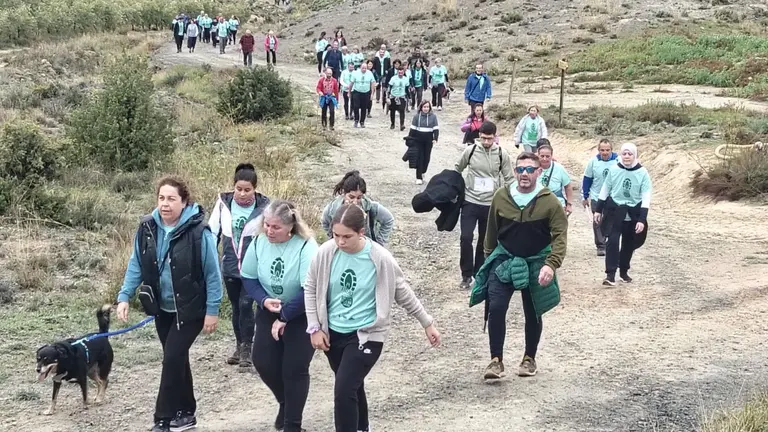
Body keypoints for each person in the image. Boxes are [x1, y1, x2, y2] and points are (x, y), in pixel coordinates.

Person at [304, 204, 441, 432]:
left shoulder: (380, 258)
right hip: (333, 333)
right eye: (336, 235)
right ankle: (363, 427)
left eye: (346, 236)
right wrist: (314, 327)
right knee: (352, 386)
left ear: (361, 232)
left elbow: (402, 291)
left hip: (366, 336)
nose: (340, 241)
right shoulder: (326, 253)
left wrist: (427, 323)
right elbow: (310, 288)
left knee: (344, 389)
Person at [117, 176, 223, 432]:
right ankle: (186, 413)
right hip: (161, 309)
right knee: (177, 359)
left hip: (192, 309)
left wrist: (212, 311)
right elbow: (136, 263)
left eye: (172, 199)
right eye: (162, 198)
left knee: (171, 359)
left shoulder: (199, 232)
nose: (165, 204)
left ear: (184, 202)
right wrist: (124, 296)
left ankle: (162, 419)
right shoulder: (147, 228)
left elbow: (212, 274)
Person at [469, 151, 567, 380]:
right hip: (505, 258)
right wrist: (488, 262)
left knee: (533, 310)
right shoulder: (501, 197)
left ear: (538, 172)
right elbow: (490, 233)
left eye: (529, 170)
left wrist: (551, 265)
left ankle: (529, 358)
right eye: (520, 169)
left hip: (536, 261)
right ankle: (495, 361)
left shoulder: (550, 202)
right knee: (496, 307)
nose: (524, 174)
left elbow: (560, 236)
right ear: (515, 171)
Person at [240, 200, 319, 432]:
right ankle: (286, 404)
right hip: (269, 309)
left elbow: (310, 289)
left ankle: (292, 425)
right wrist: (263, 300)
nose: (269, 230)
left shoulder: (306, 246)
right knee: (263, 361)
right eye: (267, 224)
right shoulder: (259, 242)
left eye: (276, 227)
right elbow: (249, 278)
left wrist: (285, 315)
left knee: (294, 368)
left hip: (302, 313)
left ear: (290, 228)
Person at [207, 163, 270, 370]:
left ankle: (247, 349)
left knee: (246, 304)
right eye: (239, 189)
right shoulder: (222, 205)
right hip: (230, 265)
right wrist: (209, 261)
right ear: (233, 186)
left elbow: (270, 236)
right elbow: (212, 234)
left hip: (253, 267)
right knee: (236, 307)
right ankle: (238, 345)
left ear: (255, 188)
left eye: (247, 190)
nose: (242, 194)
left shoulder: (264, 208)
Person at [455, 121, 514, 290]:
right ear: (479, 136)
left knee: (484, 240)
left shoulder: (502, 154)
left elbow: (509, 178)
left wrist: (512, 200)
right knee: (466, 237)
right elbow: (457, 169)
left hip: (491, 204)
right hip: (470, 201)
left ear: (495, 137)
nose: (487, 142)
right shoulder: (471, 151)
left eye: (490, 139)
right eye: (483, 139)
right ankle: (465, 275)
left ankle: (479, 273)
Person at [593, 143, 652, 286]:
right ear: (620, 155)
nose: (626, 157)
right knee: (612, 241)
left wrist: (642, 219)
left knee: (629, 243)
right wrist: (598, 210)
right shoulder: (614, 169)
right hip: (615, 210)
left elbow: (646, 197)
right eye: (624, 154)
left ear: (634, 155)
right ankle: (610, 275)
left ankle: (624, 271)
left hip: (633, 212)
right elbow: (605, 189)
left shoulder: (642, 173)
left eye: (629, 154)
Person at [321, 170, 395, 246]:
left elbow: (388, 220)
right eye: (351, 197)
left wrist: (380, 243)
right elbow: (325, 222)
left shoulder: (371, 207)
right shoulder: (332, 209)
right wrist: (333, 239)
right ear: (344, 193)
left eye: (359, 198)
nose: (355, 202)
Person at [581, 138, 617, 256]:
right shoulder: (593, 162)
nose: (605, 152)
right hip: (597, 196)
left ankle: (608, 241)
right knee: (597, 220)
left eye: (607, 150)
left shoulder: (618, 161)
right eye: (602, 150)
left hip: (613, 197)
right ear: (598, 150)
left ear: (611, 149)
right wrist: (585, 196)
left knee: (610, 220)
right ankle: (600, 245)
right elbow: (587, 179)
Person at [537, 143, 574, 216]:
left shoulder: (559, 168)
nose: (545, 159)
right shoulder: (532, 168)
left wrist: (569, 204)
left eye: (547, 156)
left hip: (557, 202)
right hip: (537, 203)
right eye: (542, 156)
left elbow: (568, 186)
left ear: (551, 156)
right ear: (538, 155)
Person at [407, 101, 439, 185]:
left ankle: (423, 171)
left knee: (427, 158)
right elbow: (412, 129)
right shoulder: (416, 117)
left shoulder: (433, 117)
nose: (426, 109)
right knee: (420, 158)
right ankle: (418, 177)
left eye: (427, 107)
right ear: (421, 108)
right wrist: (409, 139)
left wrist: (435, 138)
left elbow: (436, 129)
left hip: (429, 141)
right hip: (418, 140)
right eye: (424, 107)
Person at [348, 62, 375, 128]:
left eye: (365, 68)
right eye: (363, 68)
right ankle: (356, 120)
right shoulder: (355, 73)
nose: (364, 69)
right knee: (356, 106)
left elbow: (372, 83)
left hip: (366, 92)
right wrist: (349, 92)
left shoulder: (370, 73)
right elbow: (351, 83)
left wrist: (372, 93)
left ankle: (362, 121)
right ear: (360, 68)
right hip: (357, 92)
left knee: (364, 108)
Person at [387, 66, 410, 131]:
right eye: (399, 72)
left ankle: (402, 124)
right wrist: (388, 97)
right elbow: (389, 88)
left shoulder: (406, 79)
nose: (400, 73)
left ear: (403, 72)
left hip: (402, 96)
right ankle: (392, 123)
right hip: (393, 96)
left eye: (402, 72)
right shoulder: (393, 78)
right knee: (392, 110)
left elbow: (407, 89)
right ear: (397, 72)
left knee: (402, 110)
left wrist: (409, 98)